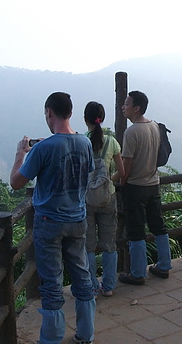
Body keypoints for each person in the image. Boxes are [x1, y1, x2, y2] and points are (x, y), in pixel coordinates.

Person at [10, 92, 96, 344]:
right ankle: (86, 334)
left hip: (49, 222)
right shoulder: (85, 143)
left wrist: (20, 153)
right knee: (82, 276)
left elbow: (16, 183)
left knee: (51, 282)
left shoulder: (44, 147)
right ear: (70, 112)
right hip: (78, 219)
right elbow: (86, 172)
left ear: (49, 112)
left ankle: (51, 339)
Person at [118, 90, 172, 285]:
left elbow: (127, 164)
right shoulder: (155, 126)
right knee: (158, 226)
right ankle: (164, 265)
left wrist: (121, 184)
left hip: (135, 186)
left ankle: (138, 272)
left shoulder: (132, 132)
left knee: (136, 231)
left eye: (126, 104)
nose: (123, 107)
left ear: (136, 108)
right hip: (153, 184)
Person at [83, 101, 125, 297]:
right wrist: (108, 181)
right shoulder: (112, 142)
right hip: (108, 197)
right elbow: (122, 172)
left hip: (86, 199)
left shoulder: (82, 142)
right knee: (109, 244)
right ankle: (108, 287)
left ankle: (91, 285)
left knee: (88, 245)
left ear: (85, 119)